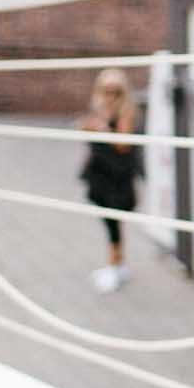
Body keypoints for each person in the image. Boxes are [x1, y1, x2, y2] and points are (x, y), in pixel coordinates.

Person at [76, 68, 141, 294]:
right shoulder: (99, 110)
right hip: (100, 176)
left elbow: (123, 146)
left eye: (115, 91)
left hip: (117, 178)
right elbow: (82, 128)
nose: (110, 95)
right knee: (108, 222)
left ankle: (116, 266)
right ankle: (117, 263)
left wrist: (103, 128)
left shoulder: (126, 114)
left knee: (114, 222)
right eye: (106, 90)